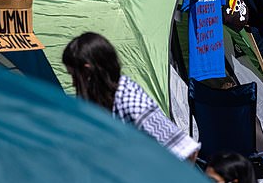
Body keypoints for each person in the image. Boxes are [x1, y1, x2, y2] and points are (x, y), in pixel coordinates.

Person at [62, 32, 200, 161]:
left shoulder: (131, 102)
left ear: (88, 71)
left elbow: (187, 151)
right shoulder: (103, 100)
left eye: (74, 76)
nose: (73, 83)